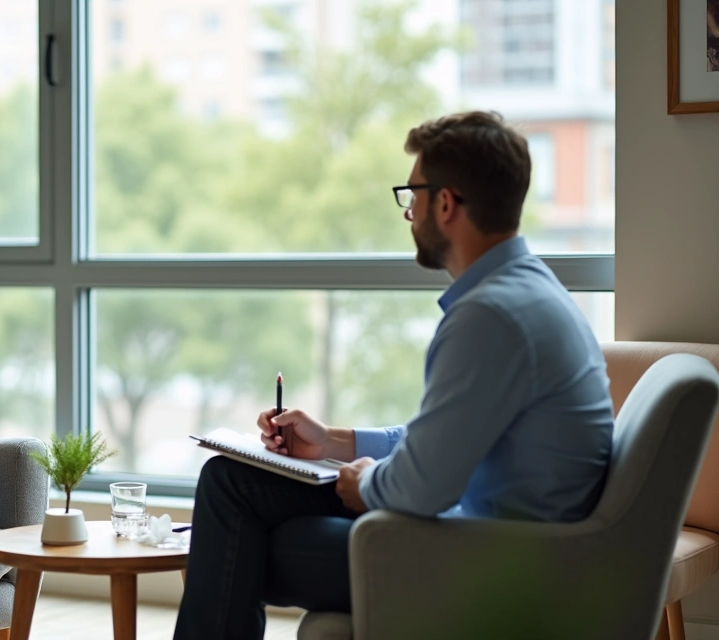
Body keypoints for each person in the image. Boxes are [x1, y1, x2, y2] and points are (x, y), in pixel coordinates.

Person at [173, 111, 614, 639]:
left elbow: (420, 487)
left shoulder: (489, 316)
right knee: (233, 481)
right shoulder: (529, 292)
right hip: (486, 535)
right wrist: (333, 441)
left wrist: (366, 481)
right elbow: (438, 441)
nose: (409, 214)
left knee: (244, 540)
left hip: (483, 562)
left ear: (445, 203)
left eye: (413, 195)